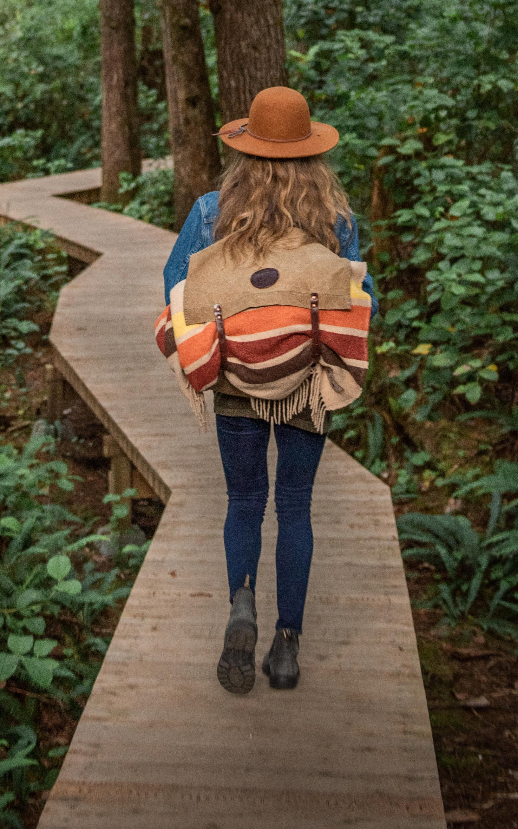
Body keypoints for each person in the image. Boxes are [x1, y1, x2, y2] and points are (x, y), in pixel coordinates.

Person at [162, 86, 378, 694]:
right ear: (311, 153)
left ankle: (241, 604)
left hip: (235, 380)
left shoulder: (212, 211)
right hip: (308, 385)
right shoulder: (335, 221)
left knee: (245, 500)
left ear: (247, 148)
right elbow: (364, 304)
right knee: (295, 507)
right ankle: (286, 646)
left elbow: (176, 288)